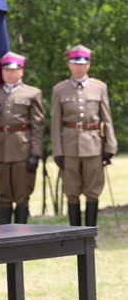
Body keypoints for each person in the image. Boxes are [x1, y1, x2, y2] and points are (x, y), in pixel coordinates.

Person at [51, 44, 117, 227]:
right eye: (75, 63)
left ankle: (90, 235)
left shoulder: (99, 87)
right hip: (69, 147)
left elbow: (107, 119)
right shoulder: (60, 89)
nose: (79, 67)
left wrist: (110, 146)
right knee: (71, 191)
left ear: (88, 64)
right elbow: (55, 123)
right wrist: (57, 151)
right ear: (69, 65)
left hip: (94, 146)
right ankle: (75, 235)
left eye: (83, 63)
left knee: (92, 191)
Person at [0, 51, 44, 224]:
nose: (9, 73)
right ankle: (3, 239)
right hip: (0, 150)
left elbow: (37, 126)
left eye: (13, 69)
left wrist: (35, 153)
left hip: (22, 150)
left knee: (22, 194)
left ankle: (21, 236)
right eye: (6, 69)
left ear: (21, 71)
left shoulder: (32, 93)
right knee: (2, 195)